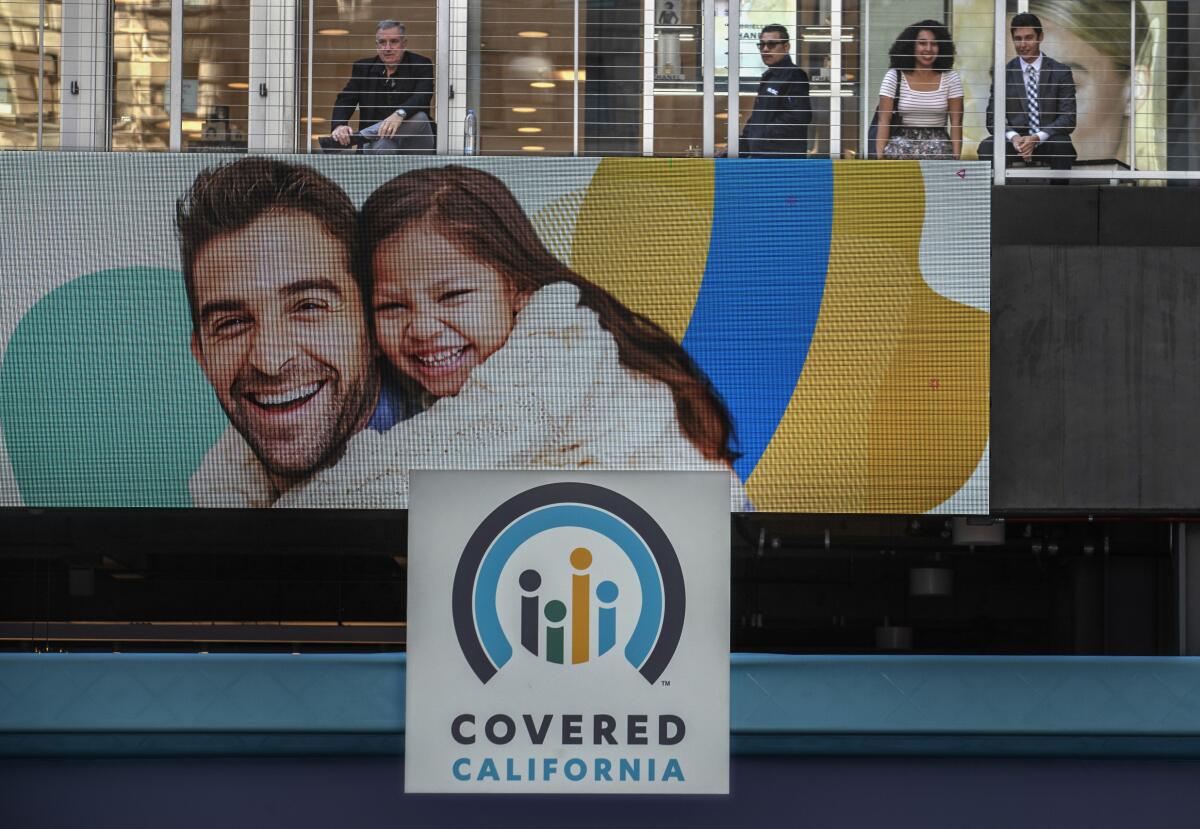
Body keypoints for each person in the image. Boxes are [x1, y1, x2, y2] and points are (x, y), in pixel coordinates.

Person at [273, 165, 749, 510]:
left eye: (454, 295)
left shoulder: (554, 353)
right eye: (392, 306)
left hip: (702, 579)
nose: (421, 328)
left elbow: (389, 486)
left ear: (519, 286)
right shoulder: (437, 376)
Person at [176, 157, 418, 507]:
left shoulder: (461, 481)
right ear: (200, 355)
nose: (270, 361)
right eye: (231, 323)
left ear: (373, 326)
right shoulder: (218, 494)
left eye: (308, 307)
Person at [979, 12, 1077, 172]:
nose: (1023, 44)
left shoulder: (1060, 71)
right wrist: (1015, 137)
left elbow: (1068, 118)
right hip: (1015, 142)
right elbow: (992, 118)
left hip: (1048, 140)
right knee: (987, 146)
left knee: (1062, 145)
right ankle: (997, 196)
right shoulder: (1003, 74)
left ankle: (1059, 196)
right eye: (1018, 39)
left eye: (1029, 37)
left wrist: (1037, 138)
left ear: (1040, 37)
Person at [327, 20, 434, 154]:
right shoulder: (364, 69)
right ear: (377, 46)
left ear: (404, 44)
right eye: (382, 42)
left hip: (414, 143)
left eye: (394, 42)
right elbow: (345, 99)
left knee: (420, 118)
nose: (387, 48)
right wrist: (339, 126)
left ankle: (360, 137)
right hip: (377, 144)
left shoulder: (421, 64)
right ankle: (367, 138)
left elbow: (422, 96)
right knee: (384, 144)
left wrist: (399, 114)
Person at [875, 20, 963, 160]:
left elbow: (956, 123)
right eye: (922, 43)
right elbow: (883, 121)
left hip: (938, 144)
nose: (928, 48)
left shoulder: (950, 78)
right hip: (901, 143)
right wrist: (880, 160)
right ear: (912, 47)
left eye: (934, 44)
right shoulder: (894, 76)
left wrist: (956, 161)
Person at [738, 25, 811, 158]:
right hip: (762, 158)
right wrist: (738, 146)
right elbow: (757, 118)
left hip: (782, 163)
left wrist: (760, 135)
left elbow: (798, 117)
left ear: (786, 47)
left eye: (771, 45)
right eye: (762, 45)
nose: (765, 49)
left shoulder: (794, 76)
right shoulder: (769, 76)